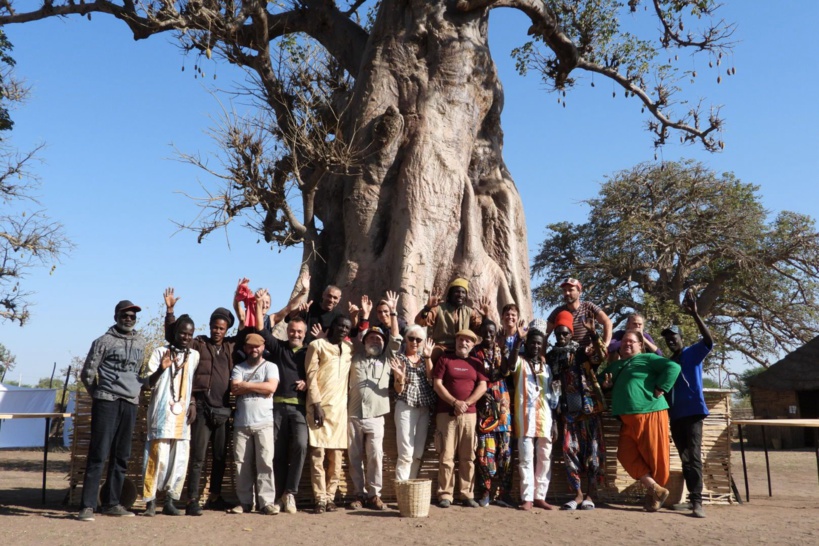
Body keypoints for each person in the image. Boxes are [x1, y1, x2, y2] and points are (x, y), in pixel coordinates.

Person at [163, 287, 239, 515]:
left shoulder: (230, 347)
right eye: (214, 326)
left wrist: (241, 304)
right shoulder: (198, 344)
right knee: (197, 456)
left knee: (219, 457)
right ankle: (192, 500)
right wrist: (170, 312)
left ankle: (215, 496)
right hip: (203, 409)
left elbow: (248, 333)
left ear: (226, 330)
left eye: (221, 328)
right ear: (209, 326)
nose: (217, 331)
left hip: (223, 410)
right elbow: (173, 337)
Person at [78, 300, 147, 521]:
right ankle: (87, 506)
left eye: (132, 316)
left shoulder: (141, 342)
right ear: (116, 316)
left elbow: (140, 372)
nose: (128, 319)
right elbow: (87, 374)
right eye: (124, 315)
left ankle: (112, 503)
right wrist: (99, 394)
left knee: (122, 455)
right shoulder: (102, 341)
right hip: (106, 401)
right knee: (99, 453)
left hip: (130, 402)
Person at [600, 330, 681, 512]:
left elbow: (673, 367)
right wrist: (605, 386)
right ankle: (655, 489)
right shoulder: (615, 366)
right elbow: (598, 382)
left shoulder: (649, 358)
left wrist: (662, 386)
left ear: (640, 345)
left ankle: (654, 497)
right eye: (624, 342)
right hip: (626, 419)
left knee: (656, 457)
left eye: (631, 342)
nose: (627, 344)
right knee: (625, 455)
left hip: (651, 412)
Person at [251, 289, 312, 514]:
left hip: (298, 408)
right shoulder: (278, 348)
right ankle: (276, 495)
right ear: (287, 331)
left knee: (301, 445)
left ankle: (290, 493)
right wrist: (258, 306)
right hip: (275, 408)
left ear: (304, 333)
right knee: (275, 450)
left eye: (299, 331)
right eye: (292, 331)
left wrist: (307, 382)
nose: (296, 334)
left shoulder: (309, 351)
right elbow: (260, 329)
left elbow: (320, 373)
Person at [347, 291, 402, 510]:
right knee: (354, 457)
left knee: (375, 457)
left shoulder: (388, 359)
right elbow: (355, 335)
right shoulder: (355, 356)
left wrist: (395, 312)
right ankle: (358, 494)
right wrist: (362, 316)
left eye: (378, 338)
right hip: (353, 414)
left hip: (376, 416)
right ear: (365, 340)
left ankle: (374, 494)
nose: (375, 340)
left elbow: (396, 338)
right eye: (371, 337)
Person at [662, 290, 714, 519]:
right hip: (676, 416)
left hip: (693, 412)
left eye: (674, 336)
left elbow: (709, 341)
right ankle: (691, 500)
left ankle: (697, 502)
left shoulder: (692, 353)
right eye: (668, 338)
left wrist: (695, 315)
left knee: (693, 456)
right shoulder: (669, 363)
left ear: (681, 337)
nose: (671, 340)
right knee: (684, 457)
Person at [548, 311, 607, 510]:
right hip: (568, 413)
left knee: (593, 452)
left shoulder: (583, 352)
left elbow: (601, 356)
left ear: (572, 334)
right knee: (568, 450)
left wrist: (594, 334)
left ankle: (590, 495)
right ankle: (578, 494)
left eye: (565, 333)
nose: (562, 337)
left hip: (589, 410)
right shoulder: (552, 357)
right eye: (558, 334)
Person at [142, 315, 201, 517]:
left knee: (179, 460)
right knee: (157, 458)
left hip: (183, 416)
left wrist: (192, 401)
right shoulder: (160, 352)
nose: (185, 337)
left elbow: (192, 383)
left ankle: (170, 501)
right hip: (161, 414)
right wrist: (161, 369)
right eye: (182, 333)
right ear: (175, 333)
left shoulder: (194, 355)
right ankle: (150, 502)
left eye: (190, 334)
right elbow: (147, 383)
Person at [505, 319, 559, 511]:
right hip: (524, 418)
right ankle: (526, 497)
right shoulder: (519, 362)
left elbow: (553, 396)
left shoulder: (546, 368)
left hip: (545, 419)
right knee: (526, 458)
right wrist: (518, 341)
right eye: (532, 342)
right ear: (527, 344)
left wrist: (554, 423)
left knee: (544, 458)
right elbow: (509, 365)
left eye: (539, 343)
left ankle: (540, 496)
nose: (535, 346)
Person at [432, 329, 488, 508]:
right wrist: (454, 402)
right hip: (446, 415)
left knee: (467, 456)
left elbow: (483, 386)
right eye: (461, 339)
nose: (463, 343)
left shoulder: (477, 363)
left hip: (469, 415)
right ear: (456, 341)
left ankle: (466, 494)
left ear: (472, 345)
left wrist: (466, 403)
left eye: (468, 341)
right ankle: (445, 495)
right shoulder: (445, 360)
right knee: (446, 456)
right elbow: (437, 384)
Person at [305, 314, 354, 513]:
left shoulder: (349, 349)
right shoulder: (317, 346)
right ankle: (319, 499)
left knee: (336, 458)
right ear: (332, 326)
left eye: (347, 328)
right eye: (340, 326)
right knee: (317, 455)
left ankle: (330, 497)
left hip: (340, 411)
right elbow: (310, 376)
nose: (343, 330)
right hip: (319, 407)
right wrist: (316, 404)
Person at [228, 333, 280, 515]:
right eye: (250, 346)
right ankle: (245, 502)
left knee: (265, 462)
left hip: (264, 422)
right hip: (242, 423)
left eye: (257, 346)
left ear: (263, 347)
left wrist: (246, 386)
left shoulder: (271, 367)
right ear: (245, 348)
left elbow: (271, 388)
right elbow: (235, 388)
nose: (254, 349)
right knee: (241, 463)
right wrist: (260, 386)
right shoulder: (238, 368)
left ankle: (266, 502)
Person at [471, 319, 514, 508]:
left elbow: (506, 370)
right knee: (484, 453)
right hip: (485, 408)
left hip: (503, 408)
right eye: (485, 332)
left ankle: (504, 493)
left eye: (492, 332)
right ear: (481, 332)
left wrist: (511, 346)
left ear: (496, 333)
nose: (488, 336)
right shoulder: (475, 352)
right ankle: (486, 491)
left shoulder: (501, 350)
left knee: (505, 453)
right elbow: (472, 376)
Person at [392, 325, 436, 482]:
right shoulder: (400, 359)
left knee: (417, 454)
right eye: (411, 338)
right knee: (405, 453)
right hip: (406, 405)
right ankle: (402, 489)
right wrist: (400, 378)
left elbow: (431, 380)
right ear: (406, 339)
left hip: (423, 407)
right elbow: (398, 389)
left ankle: (411, 488)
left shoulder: (425, 359)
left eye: (418, 339)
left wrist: (428, 357)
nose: (414, 342)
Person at [415, 277, 490, 361]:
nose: (460, 295)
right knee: (434, 354)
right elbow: (419, 322)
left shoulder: (470, 312)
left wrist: (485, 317)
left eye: (463, 292)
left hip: (463, 348)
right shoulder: (439, 308)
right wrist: (427, 308)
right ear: (450, 294)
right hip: (442, 348)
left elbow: (482, 331)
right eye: (457, 292)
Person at [546, 278, 612, 350]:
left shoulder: (588, 306)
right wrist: (542, 354)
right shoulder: (558, 311)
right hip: (566, 355)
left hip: (587, 354)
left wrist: (604, 345)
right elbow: (545, 334)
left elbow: (607, 322)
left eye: (571, 290)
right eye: (564, 290)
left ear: (579, 292)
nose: (567, 293)